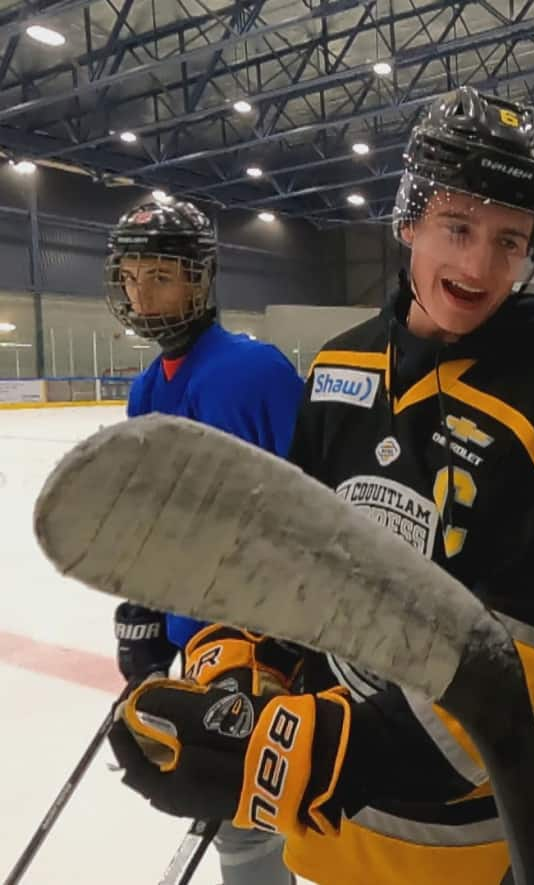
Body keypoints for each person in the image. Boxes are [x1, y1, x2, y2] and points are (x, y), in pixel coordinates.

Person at [107, 87, 534, 884]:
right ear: (410, 219)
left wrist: (312, 751)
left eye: (509, 239)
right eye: (458, 227)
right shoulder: (341, 367)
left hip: (482, 841)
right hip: (343, 825)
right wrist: (239, 665)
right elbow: (296, 566)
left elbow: (517, 687)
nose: (480, 265)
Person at [104, 198, 305, 885]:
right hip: (200, 637)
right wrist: (143, 604)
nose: (143, 293)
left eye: (161, 275)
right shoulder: (143, 387)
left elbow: (315, 505)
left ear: (200, 279)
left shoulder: (254, 373)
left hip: (268, 638)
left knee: (249, 818)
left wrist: (291, 632)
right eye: (131, 277)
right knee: (220, 809)